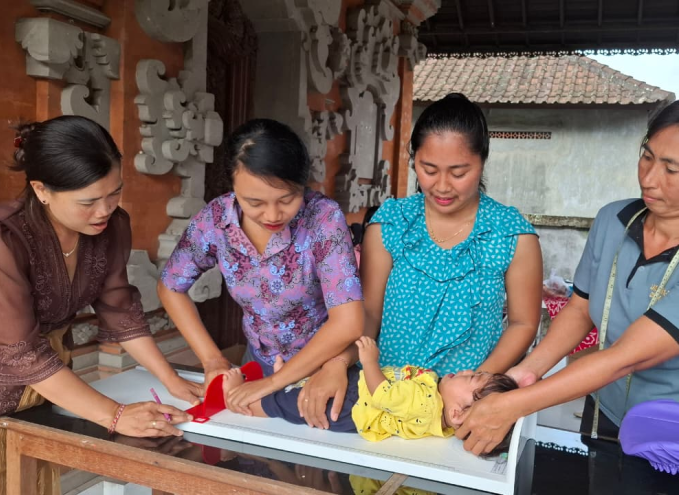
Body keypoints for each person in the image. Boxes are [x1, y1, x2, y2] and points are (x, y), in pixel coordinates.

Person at [455, 93, 679, 454]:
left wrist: (516, 404)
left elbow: (624, 358)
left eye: (671, 169)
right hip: (609, 409)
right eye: (646, 157)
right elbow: (580, 310)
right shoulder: (613, 220)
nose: (649, 178)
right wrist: (526, 372)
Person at [0, 116, 196, 494]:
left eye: (114, 193)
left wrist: (172, 378)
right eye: (88, 201)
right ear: (41, 190)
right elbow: (20, 353)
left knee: (35, 483)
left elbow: (119, 308)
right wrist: (116, 415)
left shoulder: (111, 228)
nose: (104, 210)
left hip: (44, 392)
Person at [297, 93, 543, 429]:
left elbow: (522, 323)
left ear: (482, 161)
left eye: (459, 172)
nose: (442, 186)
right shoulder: (392, 223)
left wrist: (481, 390)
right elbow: (368, 313)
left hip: (464, 412)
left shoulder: (512, 234)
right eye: (429, 170)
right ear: (414, 161)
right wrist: (338, 363)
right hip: (382, 400)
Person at [158, 118, 364, 416]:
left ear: (302, 184)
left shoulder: (323, 218)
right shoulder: (216, 220)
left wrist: (273, 385)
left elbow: (348, 323)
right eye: (254, 202)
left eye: (287, 199)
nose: (272, 214)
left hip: (325, 366)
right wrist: (212, 360)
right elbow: (170, 287)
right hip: (257, 363)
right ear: (232, 186)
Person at [221, 336, 517, 455]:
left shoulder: (427, 405)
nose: (466, 370)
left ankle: (242, 401)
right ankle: (287, 377)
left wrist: (370, 360)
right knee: (313, 383)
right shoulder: (434, 403)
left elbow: (384, 395)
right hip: (357, 391)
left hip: (353, 404)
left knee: (294, 407)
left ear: (457, 413)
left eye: (471, 378)